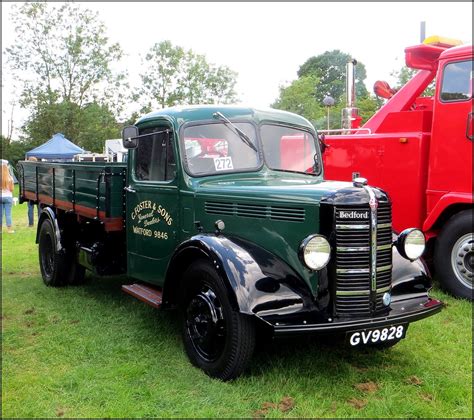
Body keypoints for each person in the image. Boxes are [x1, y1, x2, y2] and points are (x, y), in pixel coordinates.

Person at [1, 160, 15, 233]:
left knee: (0, 214)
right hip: (8, 196)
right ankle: (9, 229)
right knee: (8, 214)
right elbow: (12, 189)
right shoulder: (10, 178)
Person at [26, 156, 39, 226]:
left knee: (30, 208)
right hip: (38, 191)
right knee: (39, 207)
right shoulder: (38, 169)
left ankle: (31, 224)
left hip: (30, 191)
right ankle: (40, 222)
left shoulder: (26, 170)